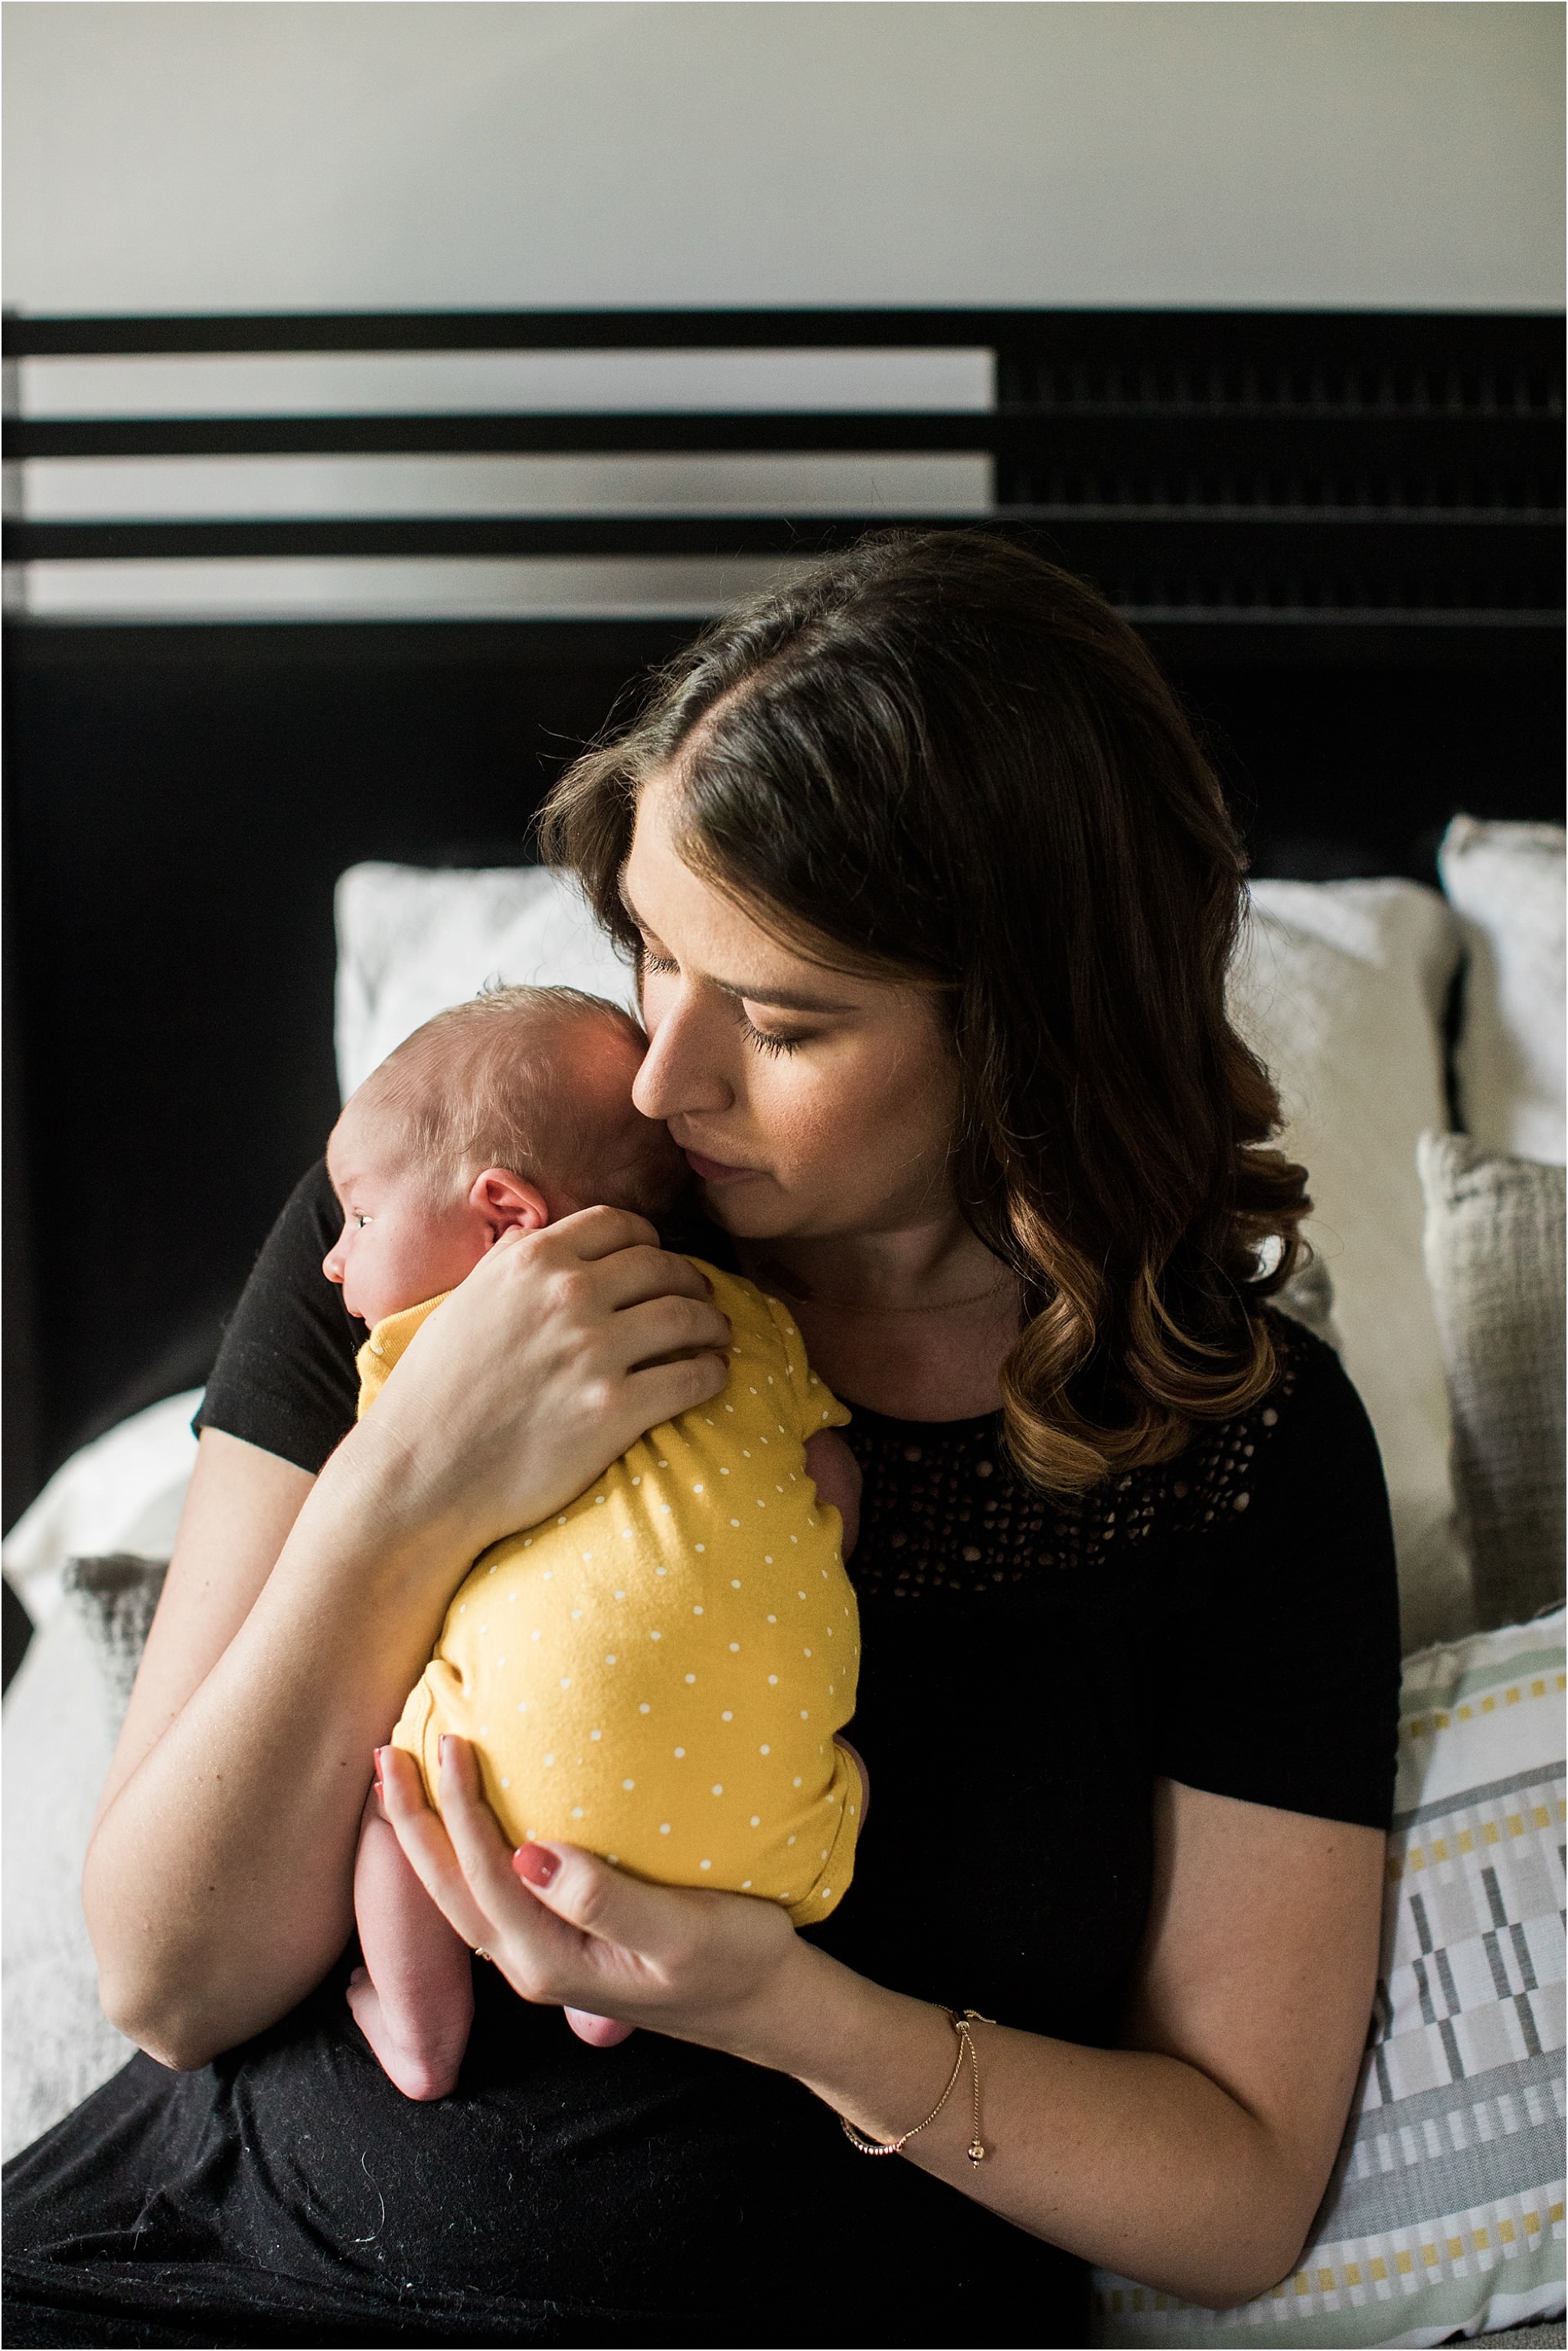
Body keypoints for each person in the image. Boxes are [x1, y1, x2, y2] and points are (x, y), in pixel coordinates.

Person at [3, 532, 1400, 2350]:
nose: (663, 1077)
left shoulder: (1237, 1446)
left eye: (784, 1016)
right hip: (190, 2267)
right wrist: (410, 1488)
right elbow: (168, 1975)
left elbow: (1233, 2187)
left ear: (1030, 1037)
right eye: (653, 953)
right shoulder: (452, 1213)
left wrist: (781, 2003)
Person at [323, 982, 864, 2103]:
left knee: (398, 1798)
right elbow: (832, 1478)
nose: (333, 1261)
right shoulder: (750, 1317)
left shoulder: (417, 1350)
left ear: (506, 1214)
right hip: (773, 1843)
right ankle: (603, 1994)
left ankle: (422, 2033)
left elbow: (374, 1541)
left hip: (511, 1809)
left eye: (358, 1220)